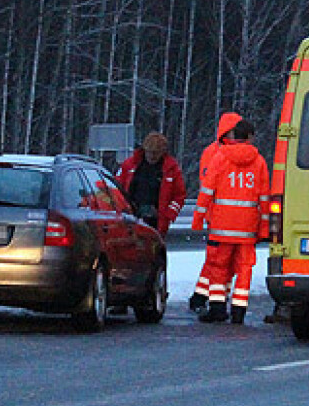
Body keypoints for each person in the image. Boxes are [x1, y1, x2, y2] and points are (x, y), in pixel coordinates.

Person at [191, 119, 270, 324]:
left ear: (233, 137)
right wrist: (263, 228)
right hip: (247, 227)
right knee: (244, 269)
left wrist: (198, 219)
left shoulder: (220, 158)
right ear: (250, 137)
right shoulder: (259, 162)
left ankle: (217, 308)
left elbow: (206, 192)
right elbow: (264, 198)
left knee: (218, 267)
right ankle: (239, 311)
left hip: (221, 226)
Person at [189, 112, 242, 313]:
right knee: (218, 260)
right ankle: (207, 296)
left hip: (230, 217)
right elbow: (209, 185)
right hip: (220, 216)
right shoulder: (214, 153)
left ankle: (206, 295)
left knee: (221, 261)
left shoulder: (225, 152)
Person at [116, 132, 186, 237]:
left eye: (156, 153)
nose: (153, 156)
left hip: (157, 222)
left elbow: (179, 195)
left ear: (162, 152)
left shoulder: (171, 169)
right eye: (150, 152)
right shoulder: (130, 165)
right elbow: (116, 187)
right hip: (130, 218)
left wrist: (168, 214)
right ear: (145, 150)